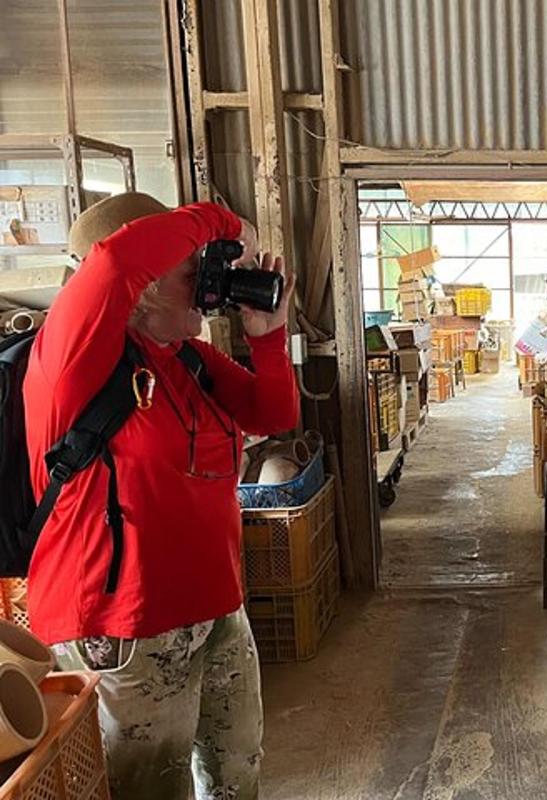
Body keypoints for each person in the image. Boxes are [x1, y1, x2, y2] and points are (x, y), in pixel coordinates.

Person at [24, 192, 298, 799]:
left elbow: (274, 413)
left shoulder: (186, 358)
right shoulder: (73, 360)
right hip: (127, 627)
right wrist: (226, 222)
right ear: (142, 286)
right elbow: (117, 262)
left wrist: (269, 339)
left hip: (217, 609)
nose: (210, 285)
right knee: (153, 787)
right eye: (192, 269)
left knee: (236, 770)